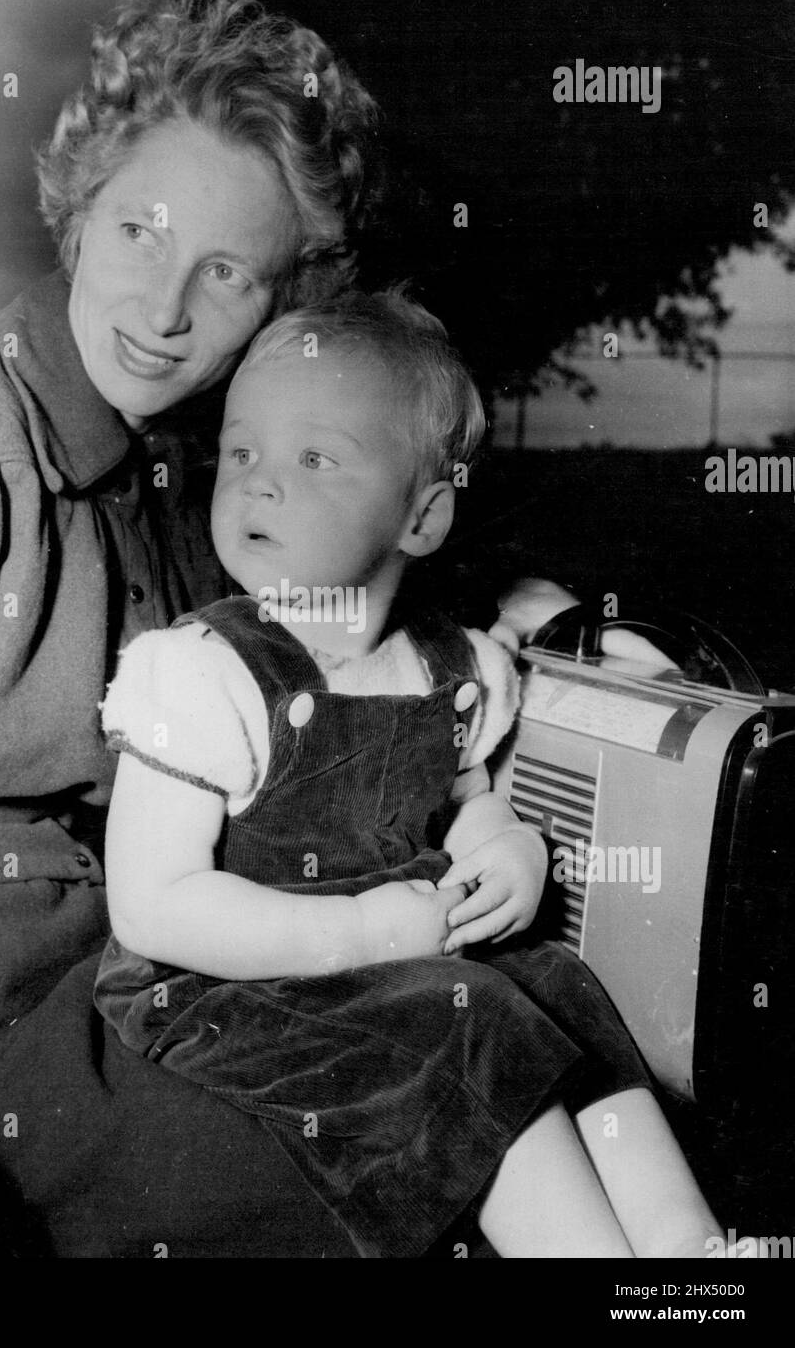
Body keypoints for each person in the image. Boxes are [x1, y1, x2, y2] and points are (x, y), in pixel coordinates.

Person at [0, 0, 385, 1258]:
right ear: (79, 210)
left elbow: (323, 610)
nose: (166, 307)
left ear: (283, 302)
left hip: (111, 1010)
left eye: (228, 270)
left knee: (460, 1041)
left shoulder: (173, 481)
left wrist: (537, 614)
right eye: (140, 228)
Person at [91, 290, 724, 1259]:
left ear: (422, 518)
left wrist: (505, 850)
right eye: (245, 449)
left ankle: (688, 1254)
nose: (259, 483)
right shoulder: (200, 673)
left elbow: (460, 802)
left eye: (315, 459)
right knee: (463, 1030)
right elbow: (152, 907)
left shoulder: (447, 667)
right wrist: (358, 928)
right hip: (230, 980)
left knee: (555, 981)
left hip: (399, 940)